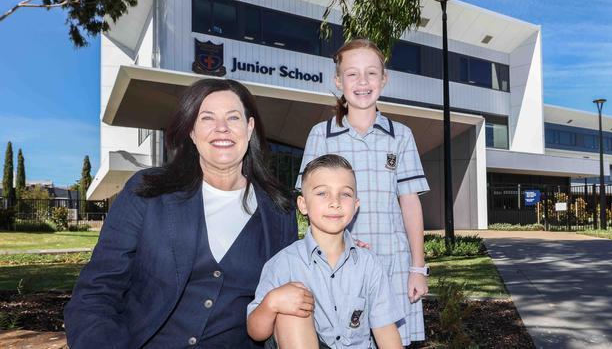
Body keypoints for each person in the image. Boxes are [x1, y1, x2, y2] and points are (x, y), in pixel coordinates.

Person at [64, 78, 298, 348]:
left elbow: (290, 300)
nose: (221, 128)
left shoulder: (280, 211)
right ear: (192, 132)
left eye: (233, 118)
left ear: (249, 127)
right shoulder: (148, 191)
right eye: (207, 118)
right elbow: (96, 293)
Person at [296, 39, 430, 346]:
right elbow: (311, 205)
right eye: (352, 74)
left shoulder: (401, 136)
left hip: (392, 264)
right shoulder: (320, 136)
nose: (362, 82)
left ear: (384, 79)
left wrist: (417, 268)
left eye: (371, 73)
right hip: (337, 265)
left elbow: (410, 203)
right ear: (338, 80)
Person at [248, 154, 404, 349]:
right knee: (291, 306)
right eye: (322, 193)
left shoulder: (369, 263)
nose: (335, 202)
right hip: (301, 341)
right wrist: (271, 303)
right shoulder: (282, 263)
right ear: (303, 204)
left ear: (356, 205)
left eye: (345, 194)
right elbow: (256, 332)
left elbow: (387, 333)